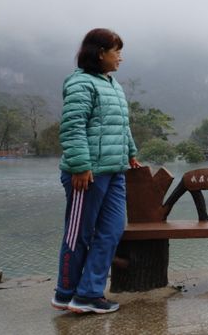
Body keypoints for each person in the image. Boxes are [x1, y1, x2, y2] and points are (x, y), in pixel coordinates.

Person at [51, 28, 140, 315]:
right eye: (117, 51)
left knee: (111, 230)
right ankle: (66, 293)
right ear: (100, 53)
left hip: (114, 171)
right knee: (78, 233)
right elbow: (73, 126)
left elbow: (121, 125)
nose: (121, 58)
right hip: (87, 174)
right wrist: (80, 165)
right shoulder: (80, 83)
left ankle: (88, 293)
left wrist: (131, 152)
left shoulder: (112, 84)